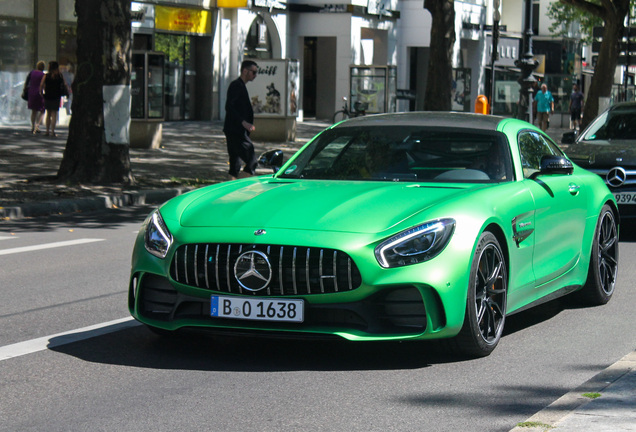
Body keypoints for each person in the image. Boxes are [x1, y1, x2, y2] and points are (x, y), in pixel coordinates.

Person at [223, 60, 259, 180]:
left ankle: (230, 189)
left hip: (235, 130)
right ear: (245, 71)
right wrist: (243, 122)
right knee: (252, 161)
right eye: (253, 72)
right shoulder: (236, 85)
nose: (255, 75)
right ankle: (240, 187)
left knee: (235, 164)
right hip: (236, 131)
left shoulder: (240, 86)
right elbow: (229, 106)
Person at [39, 61, 68, 137]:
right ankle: (52, 131)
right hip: (56, 96)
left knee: (48, 113)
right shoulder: (60, 76)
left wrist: (41, 93)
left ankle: (47, 131)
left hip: (48, 95)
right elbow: (65, 84)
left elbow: (41, 84)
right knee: (54, 113)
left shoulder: (46, 76)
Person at [26, 61, 46, 134]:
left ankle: (32, 126)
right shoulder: (43, 75)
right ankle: (37, 125)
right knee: (42, 110)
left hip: (31, 92)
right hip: (39, 93)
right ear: (43, 67)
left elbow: (27, 82)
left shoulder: (32, 73)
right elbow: (44, 85)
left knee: (34, 111)